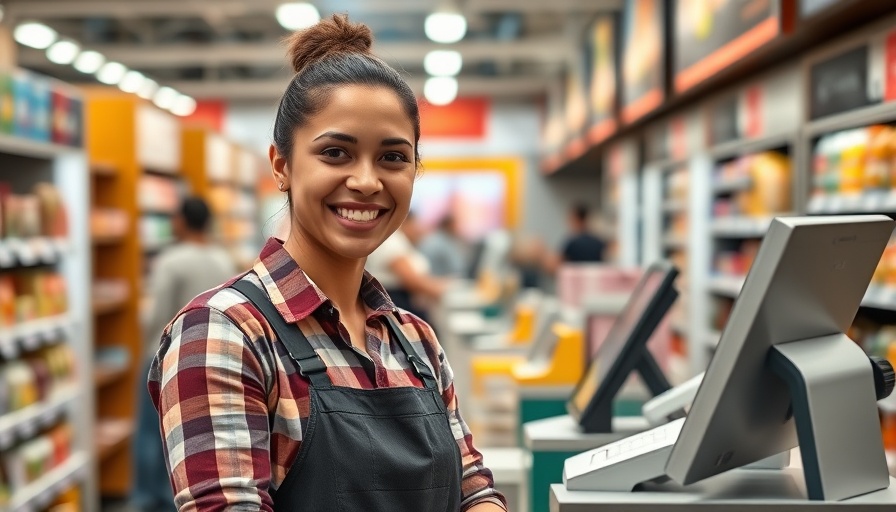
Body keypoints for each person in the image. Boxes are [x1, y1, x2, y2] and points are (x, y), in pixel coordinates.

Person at [148, 14, 507, 512]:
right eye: (336, 153)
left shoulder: (416, 341)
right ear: (282, 166)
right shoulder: (224, 334)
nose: (366, 181)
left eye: (393, 158)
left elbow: (475, 490)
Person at [131, 196, 236, 512]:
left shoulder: (172, 260)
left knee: (152, 434)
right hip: (209, 354)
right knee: (195, 434)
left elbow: (156, 315)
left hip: (166, 357)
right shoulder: (221, 258)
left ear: (181, 221)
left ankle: (151, 501)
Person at [365, 211, 449, 321]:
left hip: (402, 301)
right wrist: (445, 291)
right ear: (405, 221)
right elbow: (412, 280)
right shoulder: (392, 241)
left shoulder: (400, 240)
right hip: (398, 302)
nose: (418, 229)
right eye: (416, 223)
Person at [544, 203, 606, 274]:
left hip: (575, 281)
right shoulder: (598, 242)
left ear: (576, 219)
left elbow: (557, 264)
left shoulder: (572, 243)